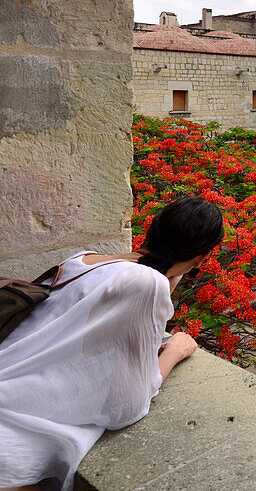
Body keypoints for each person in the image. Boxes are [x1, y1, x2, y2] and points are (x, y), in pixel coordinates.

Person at [0, 196, 224, 491]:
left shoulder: (84, 259)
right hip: (12, 430)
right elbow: (128, 405)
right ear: (201, 260)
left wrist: (170, 276)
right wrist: (175, 350)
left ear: (152, 229)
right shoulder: (147, 283)